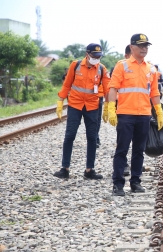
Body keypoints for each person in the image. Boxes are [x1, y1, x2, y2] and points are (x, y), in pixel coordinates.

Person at [107, 33, 163, 196]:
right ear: (131, 47)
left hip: (144, 115)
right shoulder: (122, 66)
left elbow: (154, 92)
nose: (144, 49)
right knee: (122, 150)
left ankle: (135, 182)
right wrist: (111, 107)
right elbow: (113, 88)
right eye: (140, 46)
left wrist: (158, 111)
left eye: (146, 46)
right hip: (126, 115)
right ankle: (118, 184)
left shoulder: (151, 68)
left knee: (139, 150)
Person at [54, 43, 110, 179]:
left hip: (92, 106)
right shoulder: (76, 65)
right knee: (70, 135)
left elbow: (108, 88)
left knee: (92, 137)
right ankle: (64, 169)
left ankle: (89, 170)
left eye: (99, 56)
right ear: (87, 54)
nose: (96, 58)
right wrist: (61, 101)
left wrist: (109, 105)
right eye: (94, 56)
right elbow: (67, 84)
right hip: (75, 105)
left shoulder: (102, 69)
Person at [104, 45, 132, 176]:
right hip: (122, 108)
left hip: (139, 110)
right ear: (126, 55)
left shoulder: (144, 67)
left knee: (138, 141)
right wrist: (110, 108)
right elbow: (112, 89)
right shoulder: (119, 67)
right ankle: (124, 164)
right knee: (123, 140)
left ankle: (136, 165)